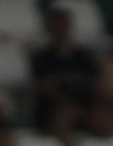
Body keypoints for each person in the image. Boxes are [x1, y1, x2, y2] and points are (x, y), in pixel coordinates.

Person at [31, 7, 101, 138]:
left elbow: (97, 84)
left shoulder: (84, 57)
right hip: (54, 110)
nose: (60, 30)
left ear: (69, 27)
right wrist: (73, 107)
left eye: (63, 25)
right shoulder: (43, 58)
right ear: (50, 29)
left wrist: (91, 107)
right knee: (64, 115)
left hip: (84, 109)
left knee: (106, 118)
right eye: (56, 26)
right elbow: (48, 90)